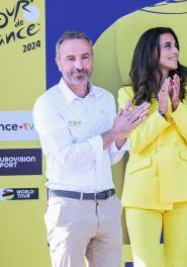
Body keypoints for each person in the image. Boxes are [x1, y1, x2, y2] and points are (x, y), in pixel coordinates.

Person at [33, 30, 149, 267]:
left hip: (107, 207)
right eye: (71, 59)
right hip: (69, 209)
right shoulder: (48, 104)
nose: (79, 65)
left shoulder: (105, 99)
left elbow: (112, 158)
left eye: (85, 57)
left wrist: (122, 135)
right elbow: (68, 157)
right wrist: (112, 133)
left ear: (92, 60)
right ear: (58, 63)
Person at [119, 27, 187, 267]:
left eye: (176, 45)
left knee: (178, 263)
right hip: (142, 192)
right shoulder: (128, 94)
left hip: (184, 190)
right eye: (168, 45)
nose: (175, 50)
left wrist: (177, 107)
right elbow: (134, 142)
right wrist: (161, 111)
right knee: (145, 264)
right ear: (150, 52)